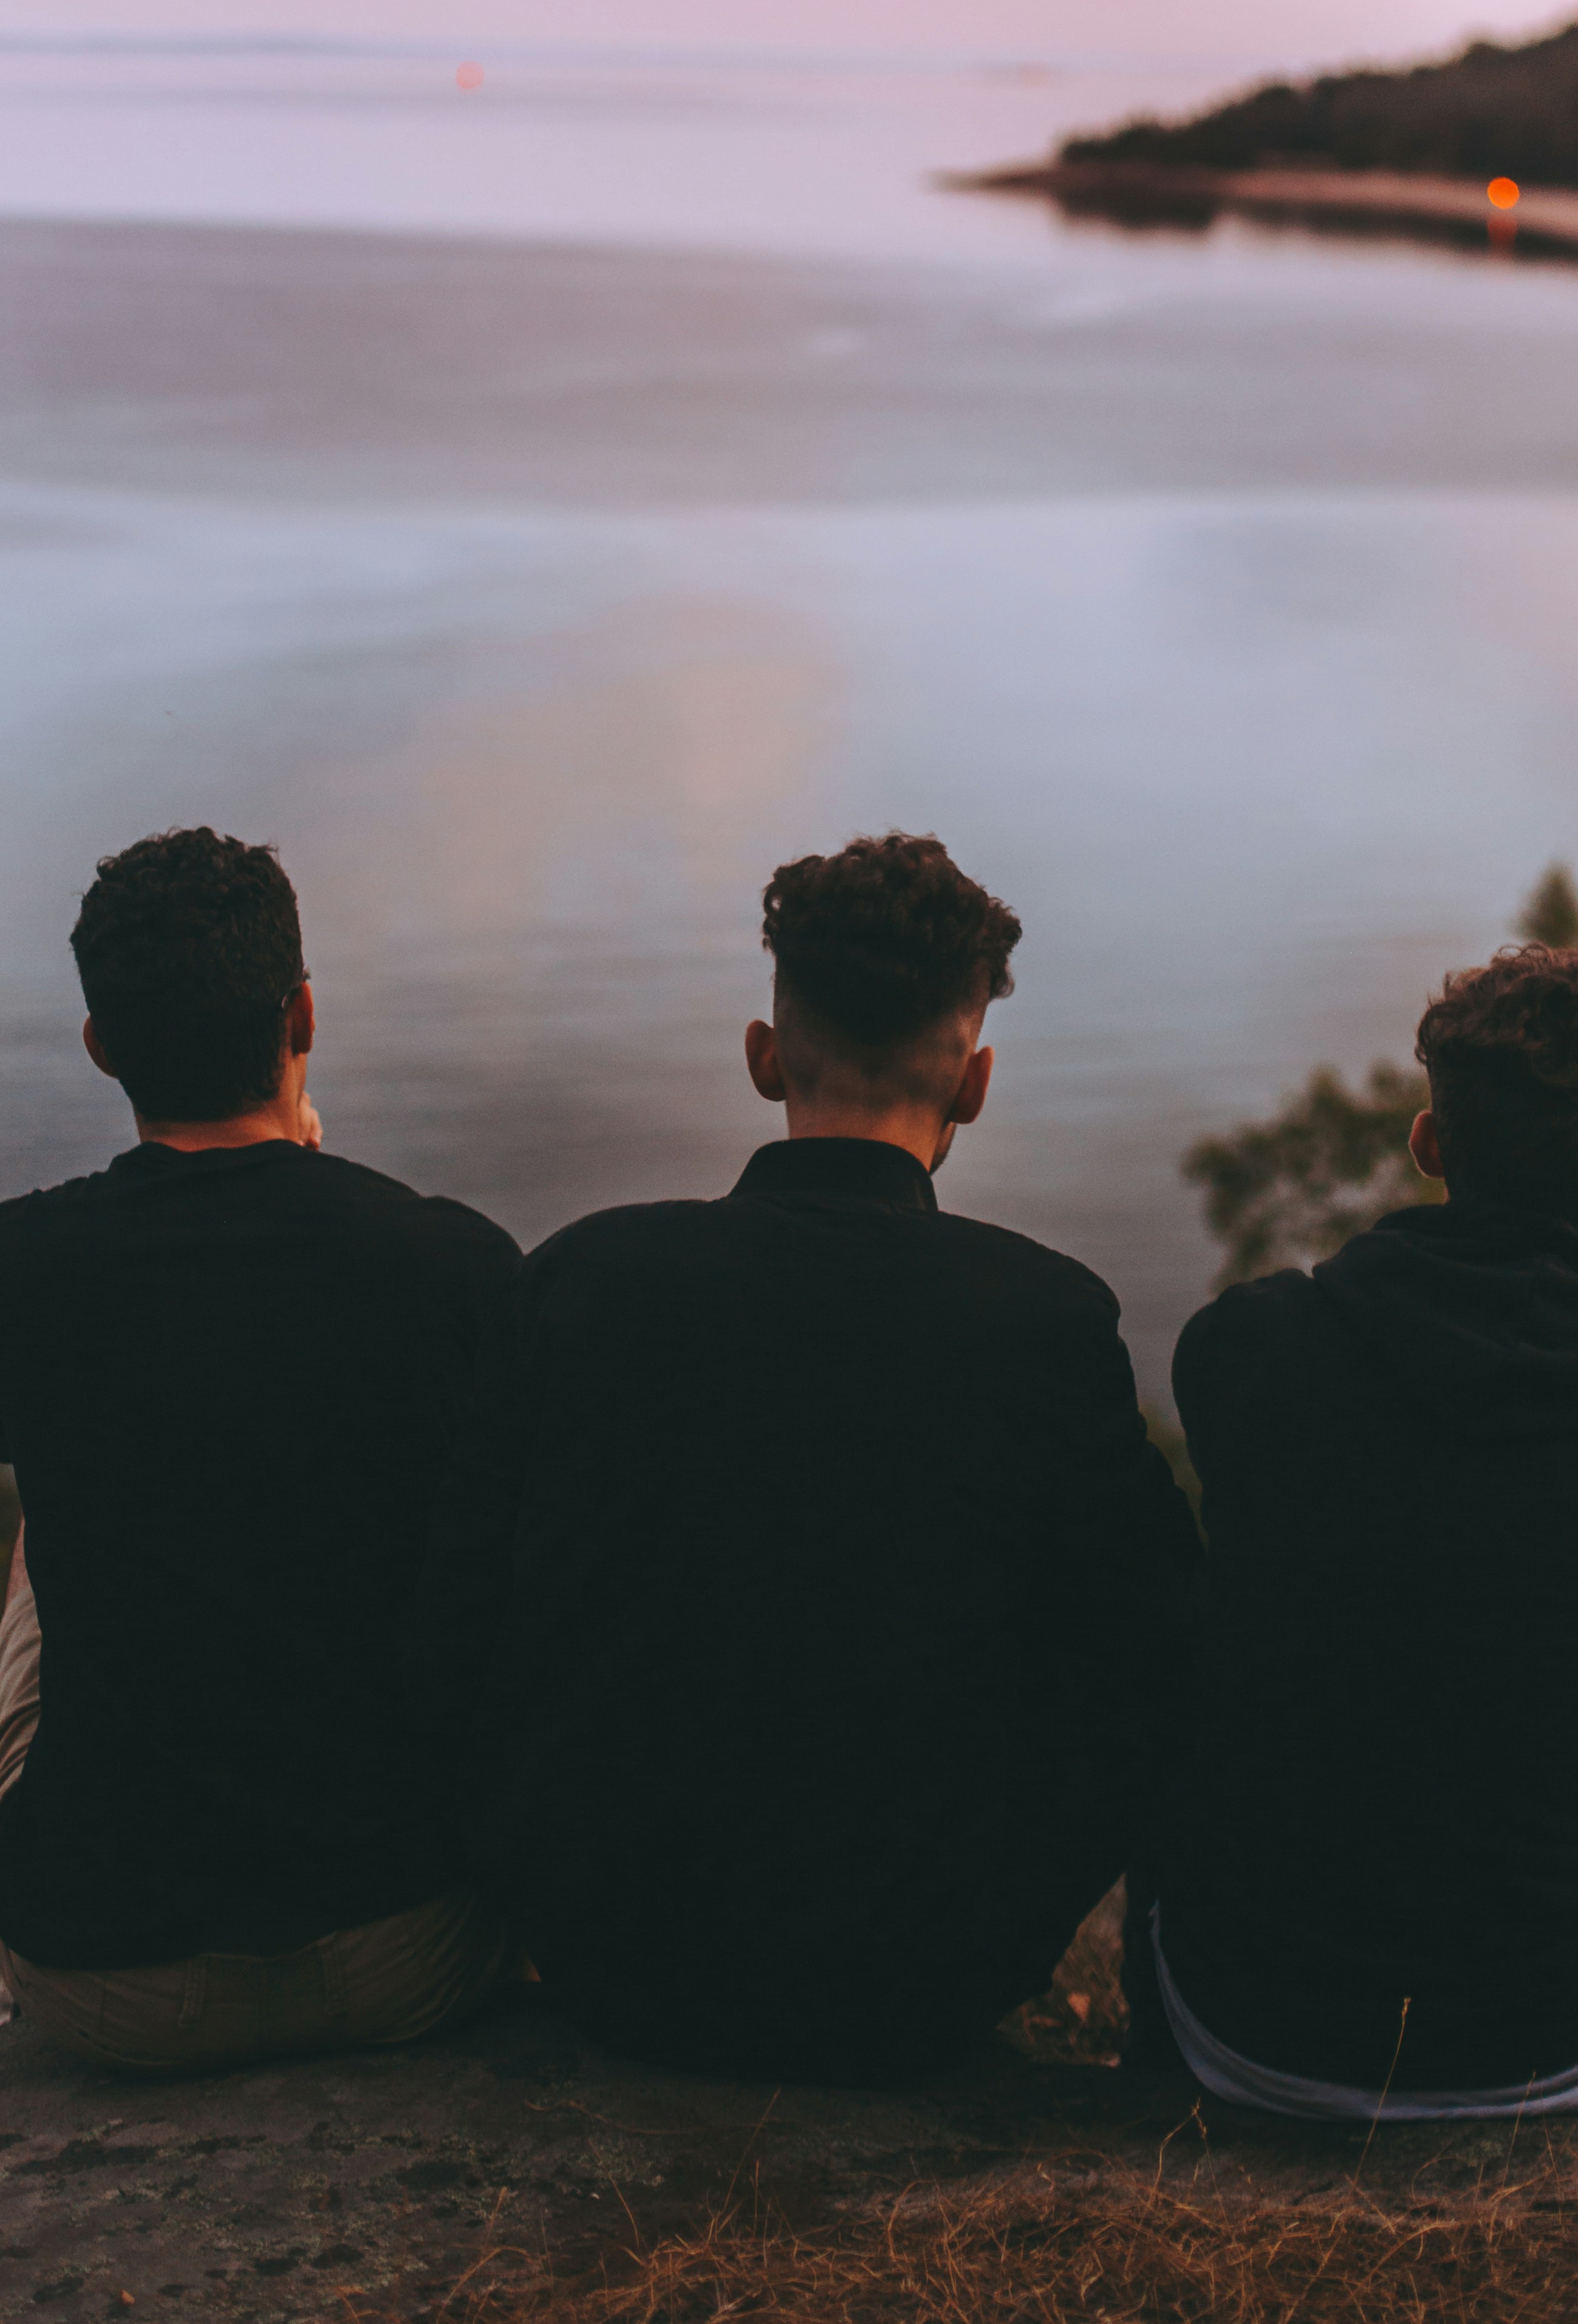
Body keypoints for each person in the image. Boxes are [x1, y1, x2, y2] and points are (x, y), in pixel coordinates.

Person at [417, 830, 1204, 2084]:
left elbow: (458, 1624)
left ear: (764, 1055)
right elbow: (1158, 1659)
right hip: (927, 1977)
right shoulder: (1044, 1318)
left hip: (612, 1961)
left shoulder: (579, 1281)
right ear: (975, 1084)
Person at [1152, 942, 1578, 2120]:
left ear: (1430, 1145)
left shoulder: (1249, 1349)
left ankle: (1159, 2015)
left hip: (1243, 2011)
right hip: (1555, 2029)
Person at [0, 826, 520, 2074]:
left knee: (46, 1518)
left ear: (100, 1046)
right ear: (302, 1014)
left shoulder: (3, 1269)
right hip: (418, 1947)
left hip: (107, 1984)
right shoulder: (455, 1263)